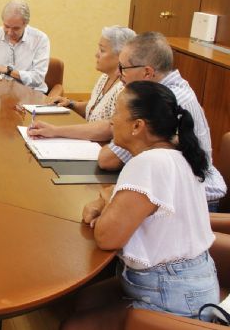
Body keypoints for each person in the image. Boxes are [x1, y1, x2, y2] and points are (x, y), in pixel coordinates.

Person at [62, 81, 219, 329]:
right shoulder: (178, 153)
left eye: (116, 113)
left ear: (137, 126)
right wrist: (110, 199)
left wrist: (106, 200)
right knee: (86, 298)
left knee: (75, 325)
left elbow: (106, 238)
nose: (111, 121)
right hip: (192, 286)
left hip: (174, 298)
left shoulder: (148, 164)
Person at [98, 32, 226, 209]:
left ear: (147, 72)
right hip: (179, 190)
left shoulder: (160, 102)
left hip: (193, 200)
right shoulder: (172, 87)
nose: (119, 74)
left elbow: (108, 160)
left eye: (123, 68)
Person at [47, 26, 135, 121]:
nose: (96, 54)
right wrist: (70, 103)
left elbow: (108, 129)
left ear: (121, 55)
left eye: (102, 50)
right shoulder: (104, 77)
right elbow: (94, 108)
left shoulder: (123, 88)